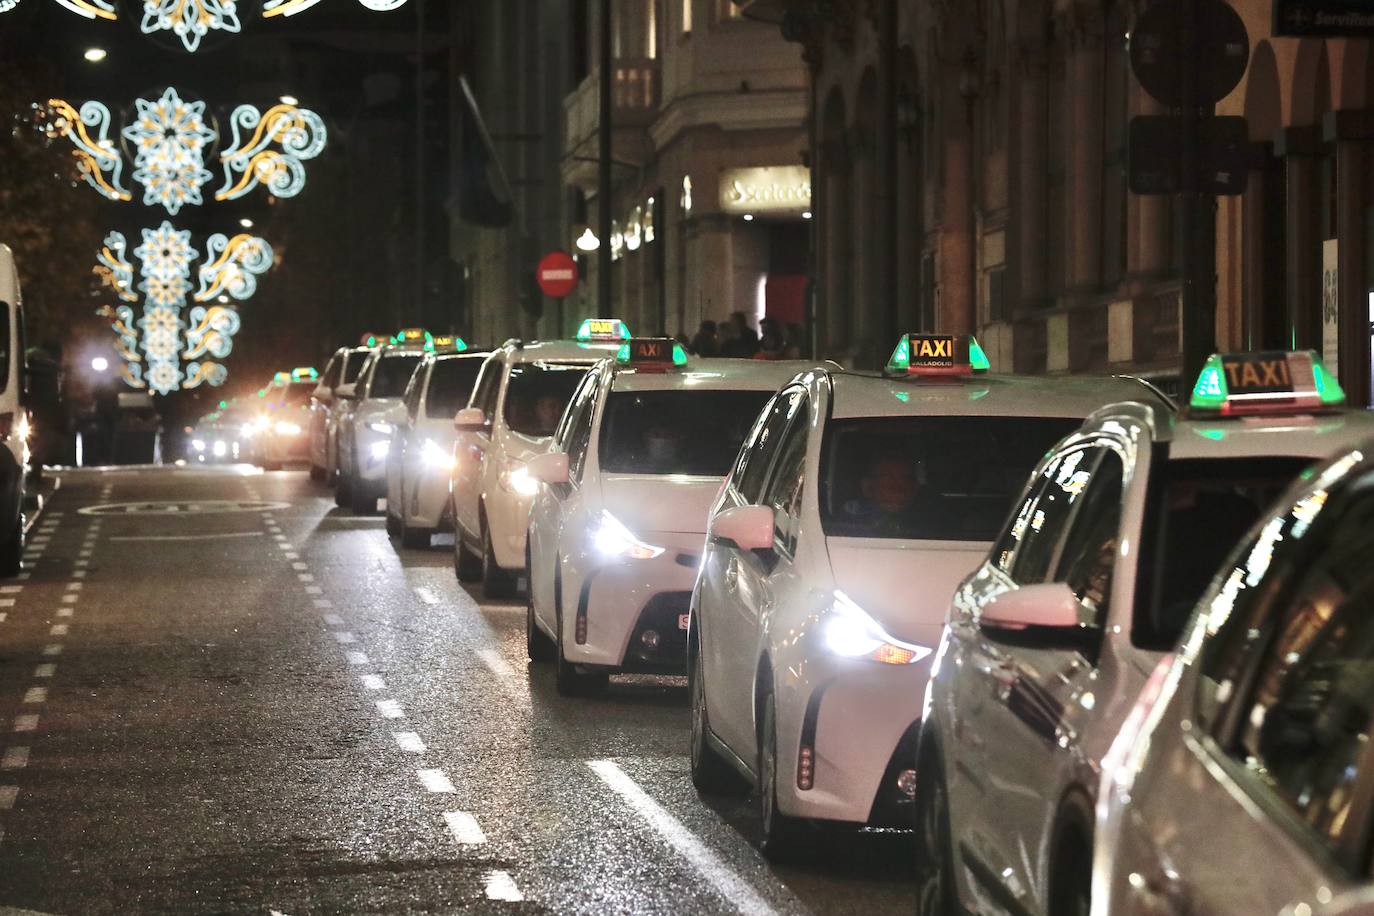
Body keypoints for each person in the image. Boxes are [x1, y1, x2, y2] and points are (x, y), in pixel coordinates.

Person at [842, 453, 923, 536]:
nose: (897, 490)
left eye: (905, 481)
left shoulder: (927, 524)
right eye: (887, 481)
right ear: (867, 487)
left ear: (915, 488)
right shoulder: (848, 525)